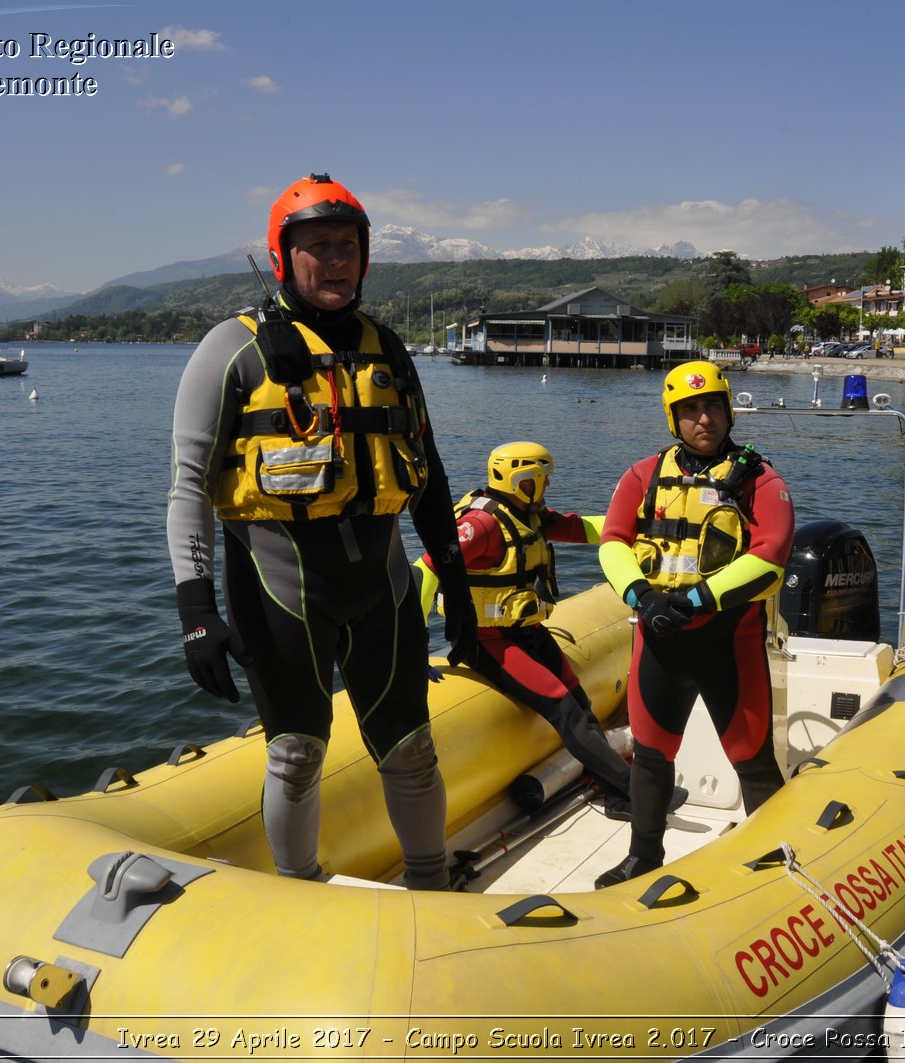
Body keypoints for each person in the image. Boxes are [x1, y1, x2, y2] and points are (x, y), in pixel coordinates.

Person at [166, 173, 475, 890]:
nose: (334, 260)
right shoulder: (230, 350)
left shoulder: (388, 348)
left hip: (384, 588)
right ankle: (298, 887)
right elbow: (187, 483)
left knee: (412, 747)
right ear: (284, 257)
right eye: (316, 247)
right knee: (296, 754)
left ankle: (430, 884)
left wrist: (456, 585)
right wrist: (194, 610)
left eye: (346, 245)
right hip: (279, 592)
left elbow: (426, 473)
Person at [592, 361, 796, 888]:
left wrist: (701, 599)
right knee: (652, 755)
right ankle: (643, 856)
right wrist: (641, 595)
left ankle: (776, 863)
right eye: (689, 410)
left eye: (711, 407)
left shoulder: (760, 479)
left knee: (751, 757)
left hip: (727, 640)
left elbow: (771, 556)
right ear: (673, 418)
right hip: (659, 640)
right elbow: (613, 539)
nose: (702, 418)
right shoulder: (642, 475)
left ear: (727, 411)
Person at [415, 441, 639, 814]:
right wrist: (414, 644)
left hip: (526, 631)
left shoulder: (528, 514)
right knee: (565, 710)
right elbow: (424, 570)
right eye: (542, 479)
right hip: (485, 639)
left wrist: (640, 526)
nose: (548, 486)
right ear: (522, 480)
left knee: (581, 705)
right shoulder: (481, 525)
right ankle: (634, 794)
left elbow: (584, 529)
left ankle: (614, 789)